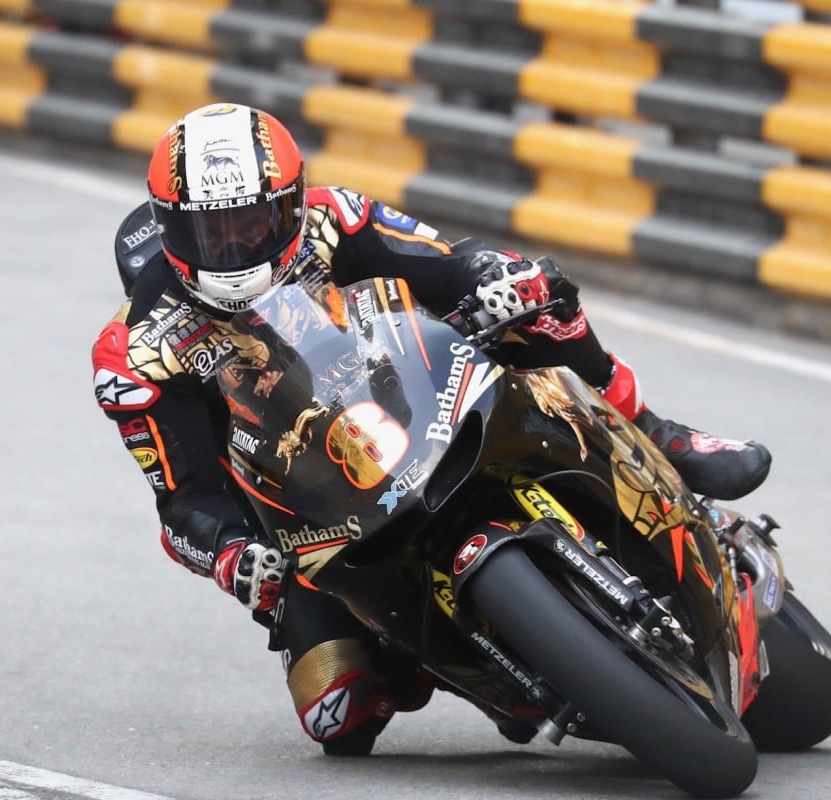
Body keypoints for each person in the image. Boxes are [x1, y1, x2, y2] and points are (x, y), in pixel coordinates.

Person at [92, 103, 772, 755]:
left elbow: (446, 262)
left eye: (253, 220)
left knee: (542, 294)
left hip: (407, 393)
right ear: (172, 230)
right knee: (339, 713)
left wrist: (502, 280)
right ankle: (435, 659)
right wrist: (233, 556)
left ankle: (656, 432)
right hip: (303, 517)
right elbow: (184, 499)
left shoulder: (335, 218)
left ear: (292, 202)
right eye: (212, 231)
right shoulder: (138, 353)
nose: (235, 245)